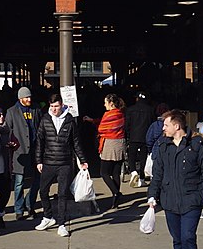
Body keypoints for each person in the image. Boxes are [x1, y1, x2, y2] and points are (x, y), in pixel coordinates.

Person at [147, 109, 203, 249]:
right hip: (170, 200)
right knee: (177, 239)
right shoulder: (163, 145)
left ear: (177, 126)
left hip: (191, 199)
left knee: (188, 236)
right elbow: (157, 173)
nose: (163, 128)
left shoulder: (197, 144)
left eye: (166, 125)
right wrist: (152, 195)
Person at [34, 93, 89, 237]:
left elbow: (76, 142)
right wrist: (38, 161)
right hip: (48, 162)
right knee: (43, 191)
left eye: (56, 106)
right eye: (51, 106)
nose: (54, 109)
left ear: (62, 105)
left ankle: (62, 224)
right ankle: (47, 217)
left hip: (64, 163)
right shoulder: (45, 119)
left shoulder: (70, 121)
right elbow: (40, 141)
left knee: (62, 194)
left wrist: (82, 160)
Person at [7, 86, 41, 220]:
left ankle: (30, 204)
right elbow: (8, 129)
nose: (29, 99)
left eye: (30, 97)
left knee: (37, 180)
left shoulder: (36, 109)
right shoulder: (12, 112)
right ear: (20, 98)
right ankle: (19, 209)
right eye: (26, 97)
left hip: (35, 150)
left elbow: (40, 127)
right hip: (19, 151)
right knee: (19, 182)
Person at [95, 93, 126, 210]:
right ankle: (116, 199)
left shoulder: (108, 114)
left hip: (110, 144)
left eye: (105, 102)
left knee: (104, 172)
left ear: (111, 103)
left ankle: (115, 192)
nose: (104, 105)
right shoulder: (121, 114)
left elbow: (102, 129)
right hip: (120, 143)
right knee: (115, 172)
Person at [124, 92, 155, 187]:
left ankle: (133, 171)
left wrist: (127, 135)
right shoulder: (150, 110)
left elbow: (127, 125)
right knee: (143, 158)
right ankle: (141, 179)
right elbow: (152, 124)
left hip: (134, 136)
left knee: (131, 155)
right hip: (145, 137)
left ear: (137, 99)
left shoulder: (130, 110)